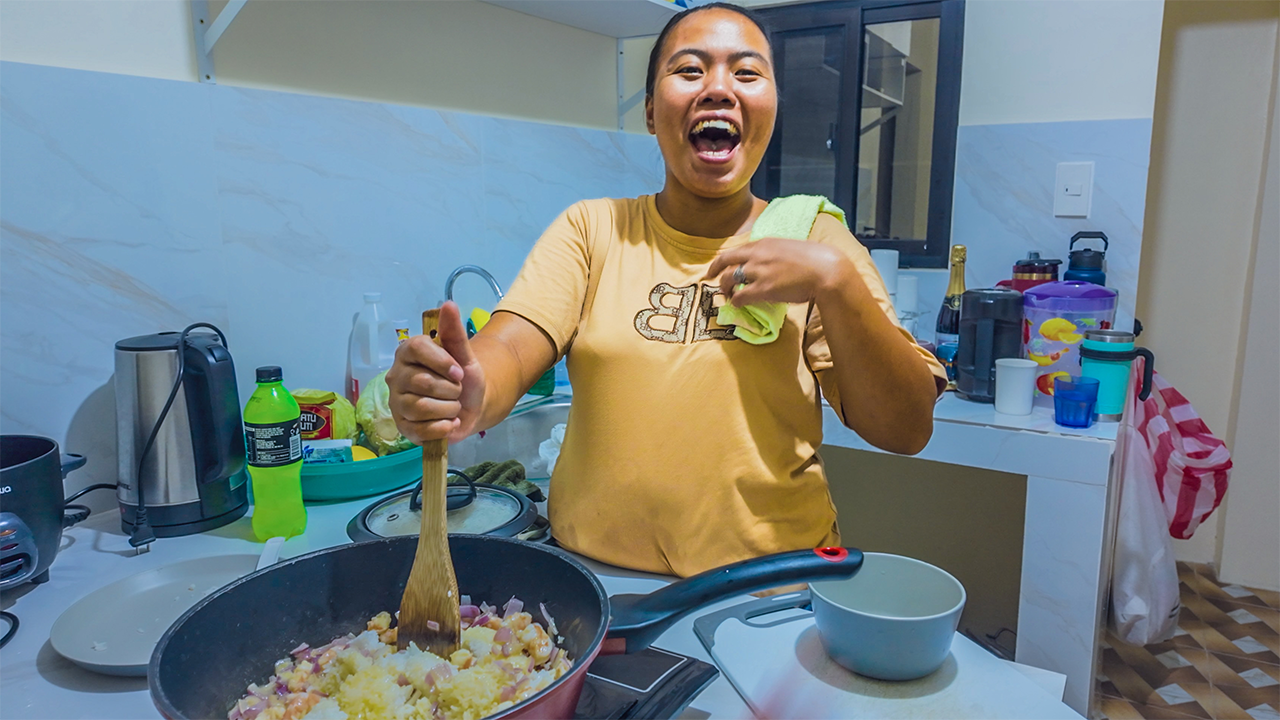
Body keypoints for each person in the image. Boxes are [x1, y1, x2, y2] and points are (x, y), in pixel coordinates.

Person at [387, 3, 946, 577]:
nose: (719, 89)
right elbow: (508, 348)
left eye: (747, 73)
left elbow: (906, 429)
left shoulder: (816, 242)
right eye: (689, 70)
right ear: (652, 113)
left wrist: (837, 282)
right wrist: (464, 388)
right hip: (599, 590)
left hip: (769, 589)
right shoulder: (593, 229)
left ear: (771, 109)